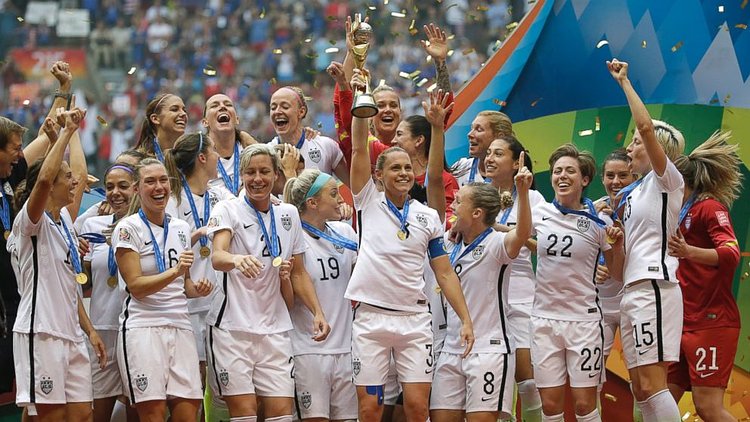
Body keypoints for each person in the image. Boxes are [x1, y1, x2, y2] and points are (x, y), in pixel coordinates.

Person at [347, 72, 474, 422]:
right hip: (371, 318)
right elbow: (358, 147)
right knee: (370, 409)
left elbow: (444, 271)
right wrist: (362, 95)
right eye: (395, 168)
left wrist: (464, 318)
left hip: (415, 321)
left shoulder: (427, 216)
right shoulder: (367, 200)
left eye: (407, 168)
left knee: (418, 409)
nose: (404, 173)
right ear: (378, 175)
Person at [205, 144, 331, 422]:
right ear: (241, 175)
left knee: (282, 413)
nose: (257, 179)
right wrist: (237, 260)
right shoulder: (228, 209)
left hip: (274, 328)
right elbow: (218, 255)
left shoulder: (288, 214)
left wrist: (317, 312)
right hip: (232, 329)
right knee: (245, 413)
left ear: (276, 175)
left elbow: (298, 272)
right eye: (250, 172)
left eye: (264, 171)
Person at [10, 108, 105, 421]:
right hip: (42, 331)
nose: (75, 181)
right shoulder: (30, 221)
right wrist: (65, 132)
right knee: (49, 417)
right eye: (68, 178)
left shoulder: (64, 219)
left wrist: (89, 330)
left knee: (82, 416)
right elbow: (44, 180)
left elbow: (67, 284)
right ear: (50, 186)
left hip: (71, 333)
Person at [607, 58, 686, 422]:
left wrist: (625, 82)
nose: (631, 146)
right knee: (640, 388)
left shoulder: (666, 180)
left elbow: (646, 126)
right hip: (634, 289)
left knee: (653, 386)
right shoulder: (634, 194)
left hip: (654, 286)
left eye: (636, 142)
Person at [431, 149, 533, 422]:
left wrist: (522, 192)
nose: (453, 204)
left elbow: (522, 234)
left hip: (489, 349)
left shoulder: (496, 245)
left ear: (476, 213)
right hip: (451, 348)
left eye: (459, 201)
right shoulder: (449, 242)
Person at [113, 158, 213, 421]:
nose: (158, 187)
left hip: (180, 325)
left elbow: (184, 285)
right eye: (150, 181)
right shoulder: (127, 228)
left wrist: (196, 288)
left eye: (163, 180)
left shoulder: (180, 228)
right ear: (136, 189)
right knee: (153, 414)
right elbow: (135, 286)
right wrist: (175, 272)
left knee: (188, 412)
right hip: (143, 327)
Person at [530, 144, 625, 422]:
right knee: (549, 405)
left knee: (584, 405)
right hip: (544, 320)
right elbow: (517, 236)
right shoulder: (540, 212)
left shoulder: (599, 219)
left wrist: (617, 247)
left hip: (583, 322)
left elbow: (617, 273)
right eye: (557, 171)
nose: (562, 176)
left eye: (570, 171)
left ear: (584, 180)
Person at [667, 132, 743, 422]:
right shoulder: (674, 213)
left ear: (680, 182)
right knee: (658, 401)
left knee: (708, 407)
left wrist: (689, 251)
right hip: (680, 322)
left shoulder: (709, 208)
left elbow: (731, 254)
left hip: (711, 323)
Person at [163, 132, 235, 417]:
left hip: (218, 302)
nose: (219, 157)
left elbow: (244, 210)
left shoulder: (219, 194)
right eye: (215, 151)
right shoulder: (172, 199)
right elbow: (163, 248)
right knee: (190, 385)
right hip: (185, 303)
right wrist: (193, 235)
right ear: (202, 158)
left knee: (214, 382)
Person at [283, 169, 359, 422]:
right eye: (334, 193)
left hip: (346, 348)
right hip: (308, 349)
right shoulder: (292, 239)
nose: (341, 199)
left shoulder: (345, 233)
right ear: (312, 202)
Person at [330, 20, 454, 172]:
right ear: (367, 114)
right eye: (380, 105)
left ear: (401, 113)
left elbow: (444, 110)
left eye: (394, 105)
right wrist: (352, 54)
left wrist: (440, 63)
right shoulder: (362, 144)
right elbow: (345, 109)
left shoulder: (417, 146)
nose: (388, 109)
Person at [483, 135, 545, 421]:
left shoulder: (532, 197)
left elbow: (543, 245)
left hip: (520, 290)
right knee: (496, 379)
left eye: (498, 153)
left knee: (526, 377)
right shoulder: (478, 194)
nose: (489, 158)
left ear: (516, 161)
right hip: (485, 291)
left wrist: (497, 227)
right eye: (488, 153)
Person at [79, 163, 137, 422]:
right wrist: (75, 258)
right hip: (102, 330)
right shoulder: (93, 223)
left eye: (123, 186)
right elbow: (84, 280)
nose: (115, 192)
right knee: (97, 414)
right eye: (110, 186)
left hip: (135, 329)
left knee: (137, 412)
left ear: (136, 188)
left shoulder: (145, 227)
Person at [592, 149, 638, 386]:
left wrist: (619, 219)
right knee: (592, 378)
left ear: (634, 177)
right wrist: (593, 268)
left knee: (641, 383)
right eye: (610, 175)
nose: (616, 182)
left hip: (634, 300)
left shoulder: (641, 208)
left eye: (623, 176)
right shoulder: (593, 210)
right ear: (602, 178)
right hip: (601, 304)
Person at [267, 86, 350, 184]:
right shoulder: (267, 153)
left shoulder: (326, 146)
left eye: (285, 107)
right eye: (273, 108)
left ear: (301, 112)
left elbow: (354, 189)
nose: (277, 111)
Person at [203, 93, 258, 196]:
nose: (222, 107)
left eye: (228, 104)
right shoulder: (199, 158)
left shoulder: (249, 149)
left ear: (237, 119)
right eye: (214, 105)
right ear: (205, 122)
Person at [452, 111, 514, 186]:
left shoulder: (513, 174)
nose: (470, 134)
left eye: (479, 130)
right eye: (472, 128)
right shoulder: (462, 167)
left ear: (500, 136)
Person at [134, 93, 188, 161]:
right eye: (174, 109)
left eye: (184, 110)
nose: (184, 114)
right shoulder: (138, 160)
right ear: (155, 119)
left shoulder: (191, 157)